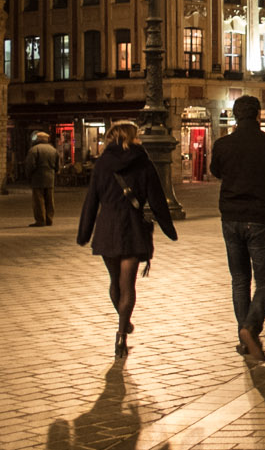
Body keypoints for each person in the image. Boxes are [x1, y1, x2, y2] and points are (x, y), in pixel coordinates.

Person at [208, 96, 265, 362]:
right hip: (262, 219)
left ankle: (245, 338)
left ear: (235, 116)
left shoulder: (223, 145)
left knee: (239, 280)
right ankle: (251, 328)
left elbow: (216, 171)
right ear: (258, 115)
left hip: (231, 219)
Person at [76, 121, 178, 356]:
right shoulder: (143, 163)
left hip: (107, 228)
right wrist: (168, 229)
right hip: (132, 228)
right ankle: (121, 332)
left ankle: (123, 319)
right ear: (134, 137)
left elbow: (91, 201)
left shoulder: (101, 164)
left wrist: (84, 233)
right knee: (128, 284)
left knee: (114, 282)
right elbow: (157, 200)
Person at [25, 131, 60, 227]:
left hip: (38, 178)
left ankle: (40, 220)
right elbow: (58, 166)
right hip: (50, 177)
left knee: (38, 200)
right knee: (49, 200)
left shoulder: (34, 150)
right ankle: (49, 219)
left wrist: (28, 176)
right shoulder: (53, 150)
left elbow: (30, 165)